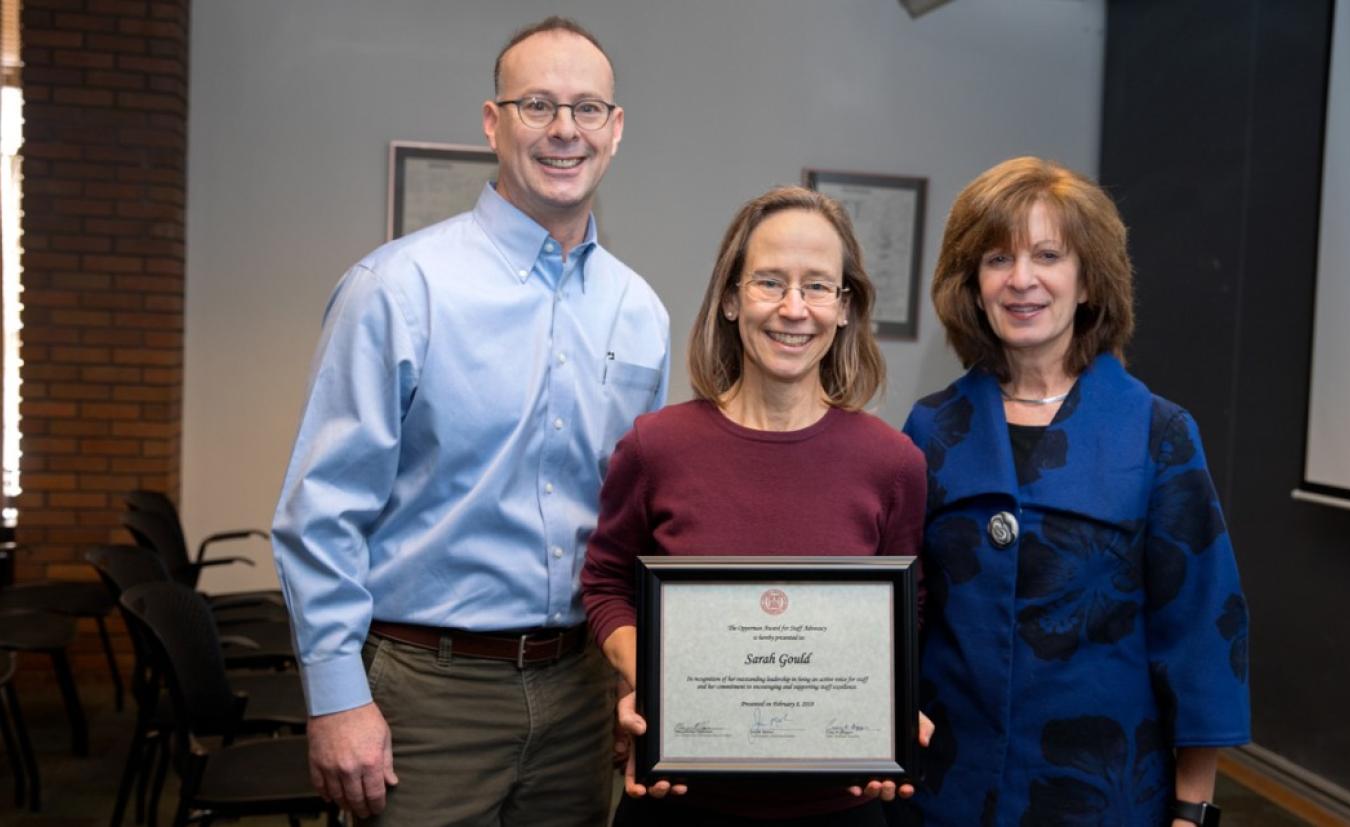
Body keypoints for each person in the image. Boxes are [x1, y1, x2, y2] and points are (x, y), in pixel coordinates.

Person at [271, 17, 669, 825]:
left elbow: (635, 524)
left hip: (581, 692)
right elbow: (322, 511)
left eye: (588, 108)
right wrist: (336, 698)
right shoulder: (397, 288)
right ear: (494, 123)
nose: (565, 129)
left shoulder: (641, 312)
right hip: (427, 693)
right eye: (538, 105)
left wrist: (637, 673)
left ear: (616, 130)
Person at [898, 156, 1249, 826]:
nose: (1021, 279)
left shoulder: (1157, 432)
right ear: (973, 284)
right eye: (997, 259)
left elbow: (1203, 631)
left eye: (1048, 255)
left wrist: (1192, 808)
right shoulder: (932, 427)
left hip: (1104, 796)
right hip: (946, 793)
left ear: (1088, 282)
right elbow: (900, 619)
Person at [581, 186, 930, 827]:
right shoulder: (657, 446)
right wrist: (656, 685)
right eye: (770, 281)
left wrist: (890, 705)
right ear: (732, 299)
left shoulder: (894, 463)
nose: (793, 309)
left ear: (845, 307)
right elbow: (605, 584)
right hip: (684, 802)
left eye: (818, 286)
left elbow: (901, 611)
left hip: (837, 808)